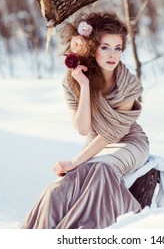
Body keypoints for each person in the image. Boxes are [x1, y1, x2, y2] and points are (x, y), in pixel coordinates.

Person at [21, 12, 149, 229]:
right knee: (59, 188)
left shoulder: (129, 84)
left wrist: (75, 161)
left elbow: (111, 133)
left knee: (100, 170)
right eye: (105, 47)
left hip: (128, 141)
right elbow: (82, 129)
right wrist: (85, 86)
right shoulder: (72, 82)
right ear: (92, 48)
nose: (112, 55)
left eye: (118, 48)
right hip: (93, 144)